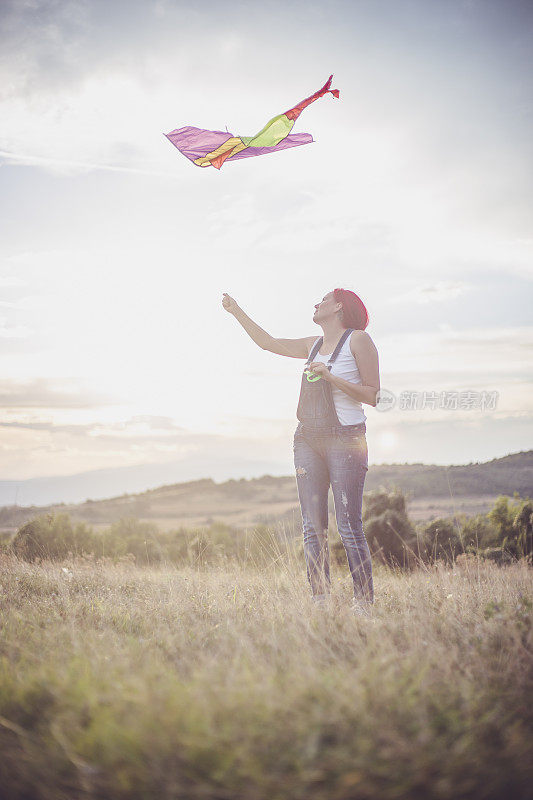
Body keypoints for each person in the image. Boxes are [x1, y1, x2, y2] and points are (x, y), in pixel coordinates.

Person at [222, 289, 380, 615]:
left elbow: (373, 395)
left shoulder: (359, 341)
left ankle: (363, 604)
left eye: (323, 299)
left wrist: (331, 377)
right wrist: (236, 310)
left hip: (346, 440)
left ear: (339, 306)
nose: (315, 303)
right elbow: (268, 343)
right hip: (307, 438)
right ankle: (320, 601)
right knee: (312, 527)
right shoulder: (313, 345)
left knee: (349, 525)